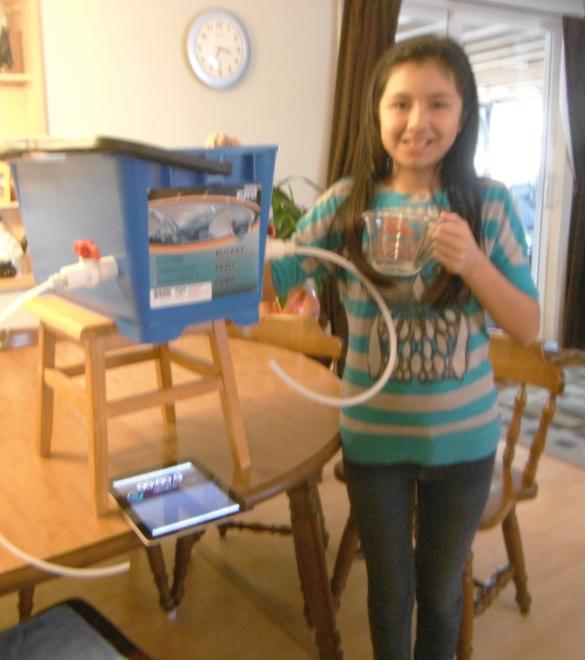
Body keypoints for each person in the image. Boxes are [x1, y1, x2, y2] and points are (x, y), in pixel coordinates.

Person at [208, 34, 539, 660]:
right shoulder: (343, 205)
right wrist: (233, 192)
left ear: (463, 113)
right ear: (378, 112)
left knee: (442, 595)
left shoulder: (488, 205)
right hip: (375, 445)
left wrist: (473, 264)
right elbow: (264, 279)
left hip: (464, 446)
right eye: (401, 104)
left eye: (438, 104)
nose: (418, 121)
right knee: (389, 592)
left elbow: (527, 326)